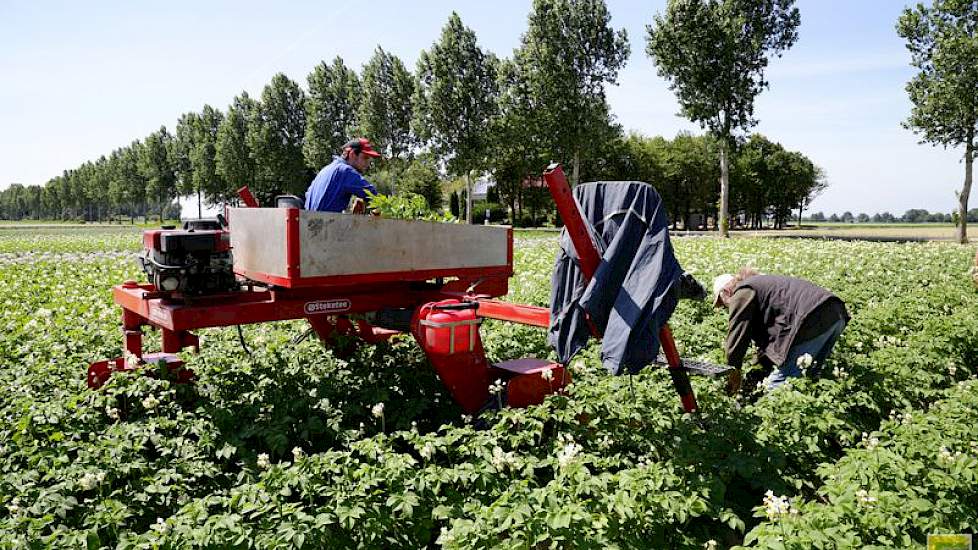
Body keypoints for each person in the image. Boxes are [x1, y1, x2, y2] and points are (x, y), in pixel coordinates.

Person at [713, 268, 849, 394]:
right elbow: (772, 340)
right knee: (808, 376)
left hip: (813, 318)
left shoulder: (742, 293)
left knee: (777, 388)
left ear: (726, 292)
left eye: (722, 304)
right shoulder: (760, 287)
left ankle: (765, 418)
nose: (726, 309)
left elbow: (737, 336)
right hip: (835, 314)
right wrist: (757, 370)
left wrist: (733, 370)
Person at [304, 138, 381, 212]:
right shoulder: (344, 171)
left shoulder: (325, 170)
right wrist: (377, 211)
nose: (368, 164)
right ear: (352, 154)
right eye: (365, 158)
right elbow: (373, 195)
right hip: (325, 224)